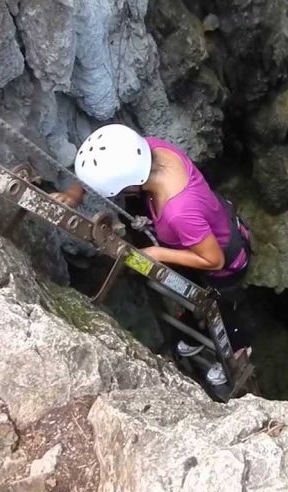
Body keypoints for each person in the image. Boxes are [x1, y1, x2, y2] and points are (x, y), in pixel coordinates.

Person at [51, 124, 252, 386]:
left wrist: (157, 252)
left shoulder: (179, 212)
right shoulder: (150, 150)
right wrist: (73, 194)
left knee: (222, 306)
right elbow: (110, 165)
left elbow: (215, 261)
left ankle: (240, 348)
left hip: (224, 264)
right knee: (194, 292)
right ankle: (194, 331)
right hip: (205, 232)